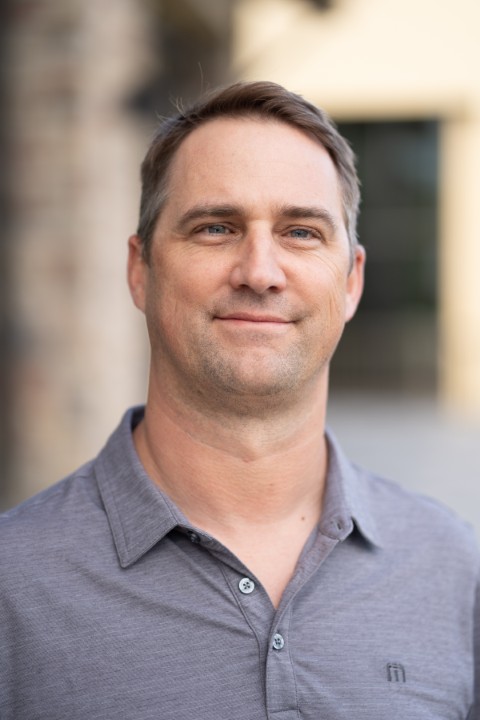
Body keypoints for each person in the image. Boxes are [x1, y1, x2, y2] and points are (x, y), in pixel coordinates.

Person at [0, 81, 478, 719]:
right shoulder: (14, 586)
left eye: (301, 232)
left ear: (352, 281)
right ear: (141, 271)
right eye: (215, 228)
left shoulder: (453, 569)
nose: (259, 271)